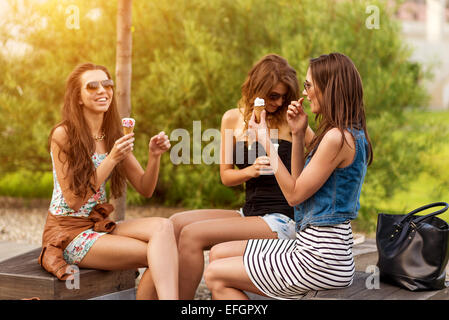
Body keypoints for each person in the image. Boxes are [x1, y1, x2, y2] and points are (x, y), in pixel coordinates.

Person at [204, 52, 373, 300]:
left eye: (308, 86)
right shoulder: (349, 134)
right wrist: (297, 134)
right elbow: (297, 184)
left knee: (215, 274)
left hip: (320, 259)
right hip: (316, 249)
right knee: (219, 253)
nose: (304, 94)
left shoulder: (337, 138)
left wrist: (265, 141)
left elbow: (292, 197)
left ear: (328, 89)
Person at [39, 63, 178, 300]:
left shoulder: (111, 134)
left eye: (107, 84)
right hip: (68, 233)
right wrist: (112, 158)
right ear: (79, 97)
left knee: (165, 227)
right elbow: (74, 200)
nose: (102, 90)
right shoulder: (63, 135)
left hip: (97, 225)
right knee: (159, 254)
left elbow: (145, 188)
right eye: (92, 86)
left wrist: (155, 156)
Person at [169, 54, 302, 299]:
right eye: (273, 95)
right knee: (175, 223)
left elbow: (323, 160)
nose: (279, 102)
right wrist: (251, 171)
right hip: (250, 212)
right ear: (257, 89)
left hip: (282, 219)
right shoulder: (232, 118)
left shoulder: (291, 122)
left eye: (284, 96)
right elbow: (226, 176)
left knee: (192, 235)